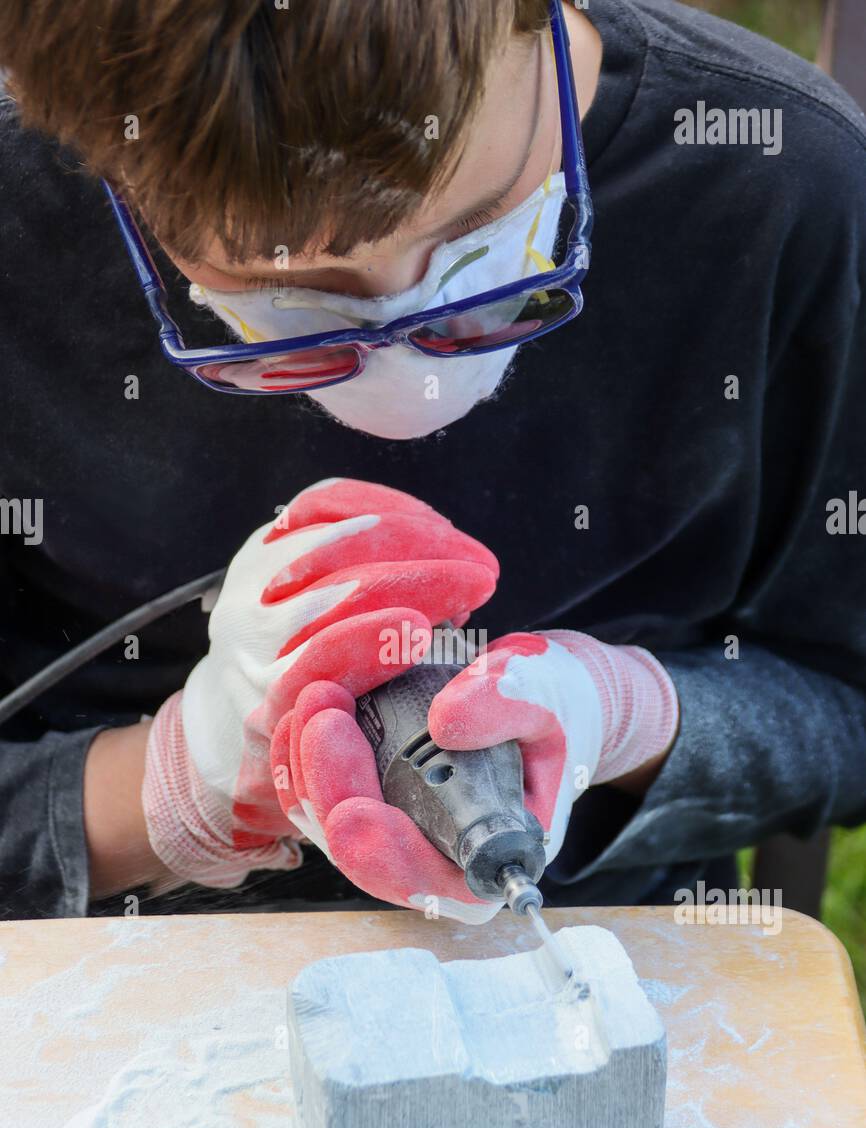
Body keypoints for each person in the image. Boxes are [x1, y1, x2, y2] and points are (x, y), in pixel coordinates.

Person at [0, 0, 864, 922]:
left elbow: (846, 699)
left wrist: (626, 716)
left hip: (610, 938)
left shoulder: (778, 180)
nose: (408, 381)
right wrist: (174, 788)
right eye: (289, 296)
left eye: (482, 231)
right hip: (113, 966)